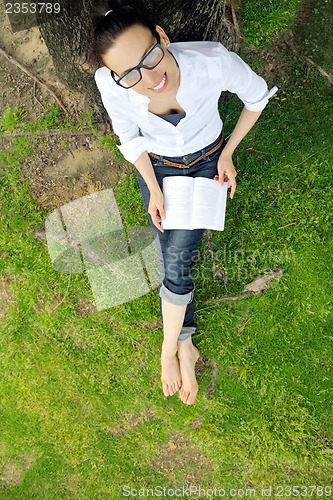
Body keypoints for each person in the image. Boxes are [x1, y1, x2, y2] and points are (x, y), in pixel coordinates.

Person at [92, 0, 277, 405]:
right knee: (170, 249)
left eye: (150, 56)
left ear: (162, 36)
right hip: (157, 168)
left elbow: (258, 98)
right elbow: (131, 139)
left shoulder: (212, 62)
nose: (149, 77)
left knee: (177, 254)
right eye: (130, 74)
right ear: (115, 75)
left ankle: (170, 350)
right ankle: (184, 344)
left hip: (208, 160)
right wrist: (154, 189)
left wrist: (228, 153)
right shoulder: (110, 84)